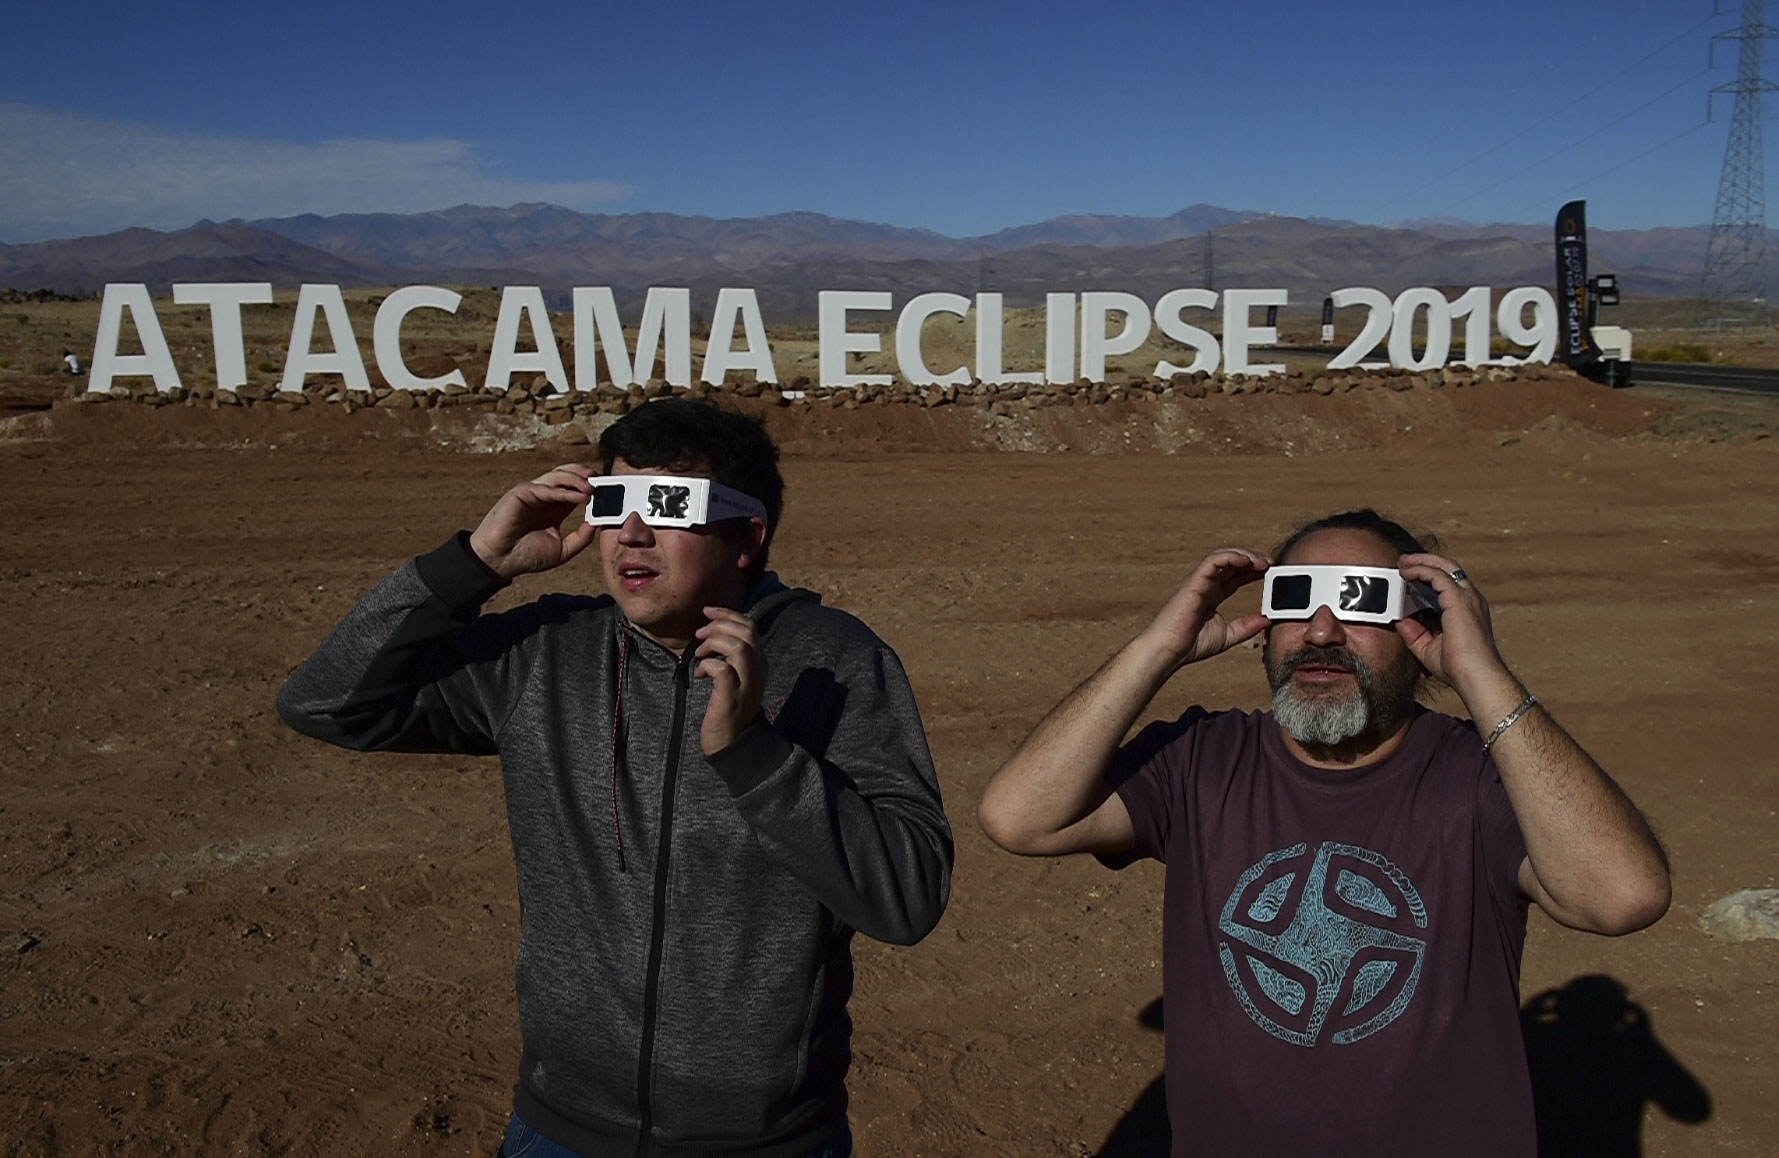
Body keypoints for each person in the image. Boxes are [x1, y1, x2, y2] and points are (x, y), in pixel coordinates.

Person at [278, 398, 953, 1158]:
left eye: (666, 506)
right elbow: (325, 703)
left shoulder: (834, 662)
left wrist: (755, 756)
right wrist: (471, 565)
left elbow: (908, 897)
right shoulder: (544, 654)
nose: (629, 533)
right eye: (612, 502)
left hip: (761, 1141)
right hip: (560, 1125)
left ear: (745, 537)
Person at [976, 508, 1670, 1158]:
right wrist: (1157, 648)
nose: (1319, 631)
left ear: (1421, 628)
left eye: (1362, 604)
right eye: (1295, 597)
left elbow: (1620, 898)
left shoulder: (1478, 777)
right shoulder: (1200, 760)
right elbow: (1021, 818)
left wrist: (1481, 674)